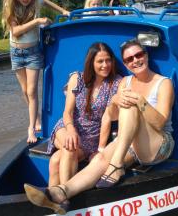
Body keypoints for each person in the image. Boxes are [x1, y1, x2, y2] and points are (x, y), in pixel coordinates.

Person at [25, 39, 175, 214]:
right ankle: (60, 192)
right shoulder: (125, 82)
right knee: (99, 160)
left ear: (146, 56)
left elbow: (160, 123)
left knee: (130, 106)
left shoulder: (163, 83)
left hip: (158, 144)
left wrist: (141, 102)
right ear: (125, 64)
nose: (135, 61)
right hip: (129, 145)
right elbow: (109, 116)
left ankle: (116, 165)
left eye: (139, 55)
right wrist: (113, 105)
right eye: (129, 59)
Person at [2, 0, 70, 144]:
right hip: (16, 53)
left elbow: (46, 1)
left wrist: (62, 11)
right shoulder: (9, 6)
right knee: (25, 91)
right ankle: (37, 117)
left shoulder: (36, 0)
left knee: (32, 91)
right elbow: (16, 32)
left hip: (32, 53)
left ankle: (31, 127)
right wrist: (37, 21)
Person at [46, 42, 122, 188]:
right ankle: (64, 195)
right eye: (100, 61)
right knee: (70, 147)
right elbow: (67, 112)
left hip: (92, 136)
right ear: (91, 63)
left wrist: (100, 150)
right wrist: (71, 130)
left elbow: (107, 117)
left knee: (56, 160)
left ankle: (53, 197)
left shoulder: (116, 83)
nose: (105, 65)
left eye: (108, 60)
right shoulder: (77, 79)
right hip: (67, 127)